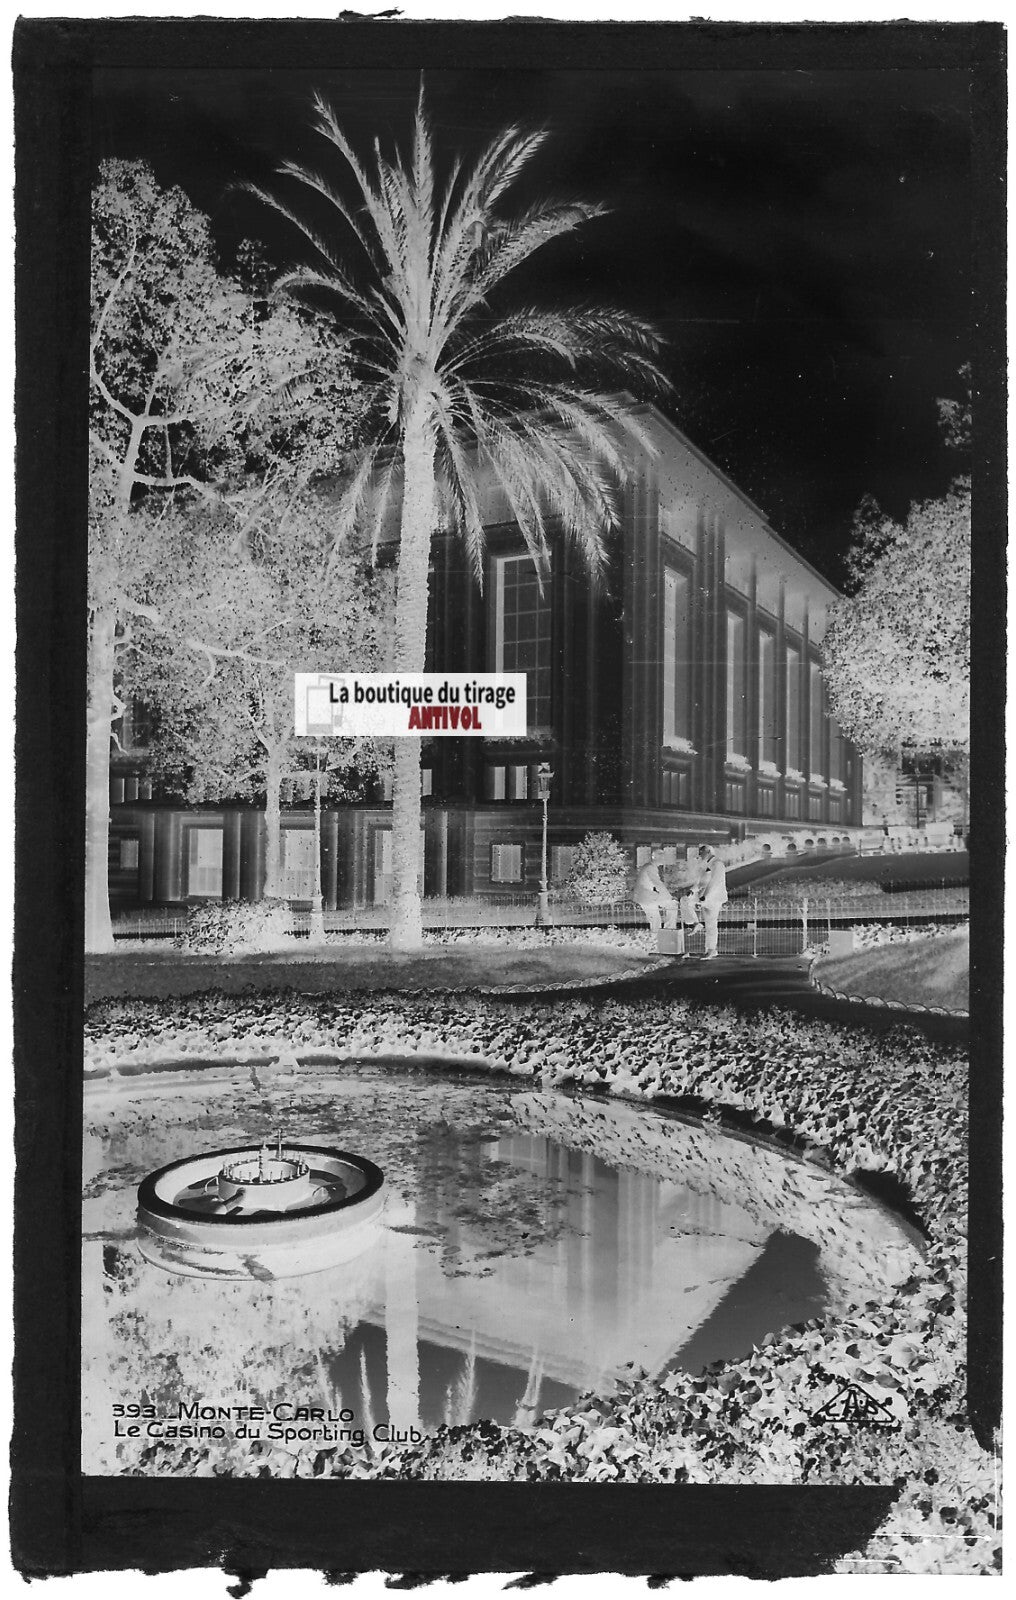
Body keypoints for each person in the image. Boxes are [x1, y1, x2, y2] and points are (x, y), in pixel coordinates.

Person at [632, 850, 678, 935]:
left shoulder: (648, 866)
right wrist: (669, 897)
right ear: (654, 857)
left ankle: (659, 938)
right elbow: (657, 883)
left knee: (655, 921)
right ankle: (669, 932)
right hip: (647, 897)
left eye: (664, 857)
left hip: (645, 897)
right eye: (661, 856)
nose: (663, 859)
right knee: (672, 904)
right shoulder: (650, 867)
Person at [696, 844, 728, 959]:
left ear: (708, 851)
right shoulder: (711, 864)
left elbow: (715, 882)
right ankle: (710, 949)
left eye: (701, 852)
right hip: (709, 898)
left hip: (713, 899)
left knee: (711, 925)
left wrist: (705, 896)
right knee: (710, 925)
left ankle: (711, 950)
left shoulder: (717, 864)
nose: (700, 855)